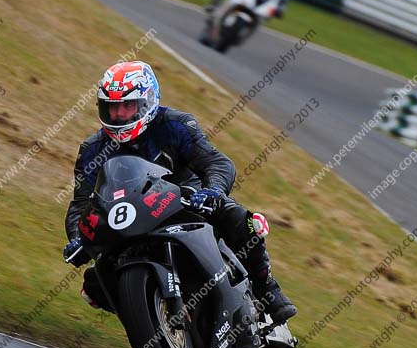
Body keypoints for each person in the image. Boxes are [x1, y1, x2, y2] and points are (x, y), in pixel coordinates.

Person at [62, 61, 297, 324]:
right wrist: (78, 238)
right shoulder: (93, 149)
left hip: (186, 203)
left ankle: (268, 290)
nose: (120, 115)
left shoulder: (175, 124)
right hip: (131, 221)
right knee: (94, 286)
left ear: (148, 101)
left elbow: (216, 162)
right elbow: (82, 204)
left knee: (237, 217)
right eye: (113, 108)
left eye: (128, 106)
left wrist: (213, 191)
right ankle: (151, 317)